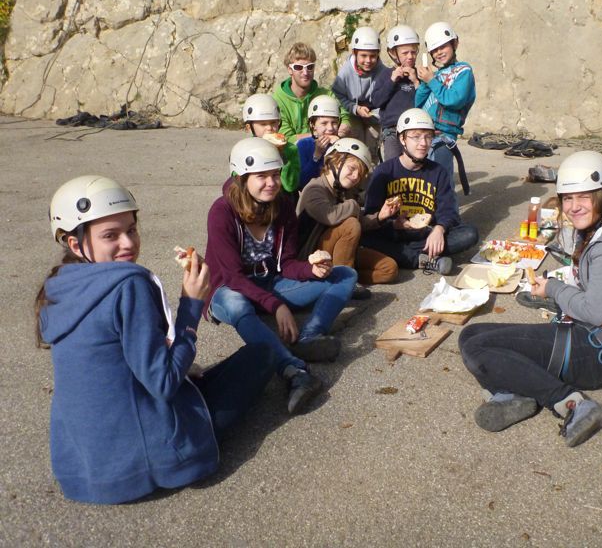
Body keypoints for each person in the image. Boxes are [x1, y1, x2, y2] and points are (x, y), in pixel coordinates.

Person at [36, 176, 277, 504]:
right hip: (149, 460)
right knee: (262, 354)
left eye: (131, 229)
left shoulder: (56, 287)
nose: (127, 243)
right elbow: (163, 383)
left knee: (194, 374)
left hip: (88, 469)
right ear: (76, 244)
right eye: (110, 235)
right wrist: (191, 305)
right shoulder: (127, 285)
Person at [459, 151, 602, 447]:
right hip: (590, 332)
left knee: (479, 349)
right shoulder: (599, 228)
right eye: (568, 198)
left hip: (601, 352)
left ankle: (571, 403)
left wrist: (553, 289)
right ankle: (519, 393)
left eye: (584, 197)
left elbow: (593, 310)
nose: (574, 206)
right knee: (470, 334)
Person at [205, 138, 358, 414]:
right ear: (241, 178)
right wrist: (277, 306)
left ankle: (309, 337)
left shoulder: (284, 206)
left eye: (275, 175)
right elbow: (232, 277)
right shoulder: (222, 211)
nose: (271, 183)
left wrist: (311, 269)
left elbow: (285, 263)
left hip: (270, 283)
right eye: (261, 176)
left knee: (345, 274)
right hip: (228, 289)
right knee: (237, 303)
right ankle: (293, 370)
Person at [360, 108, 479, 275]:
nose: (423, 143)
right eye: (415, 136)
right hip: (394, 233)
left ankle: (406, 254)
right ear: (402, 138)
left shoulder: (438, 172)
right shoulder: (384, 172)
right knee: (362, 237)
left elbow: (448, 211)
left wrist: (439, 229)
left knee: (469, 234)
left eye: (428, 136)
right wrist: (393, 224)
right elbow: (371, 214)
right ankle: (422, 259)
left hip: (426, 233)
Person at [296, 138, 399, 300]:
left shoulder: (344, 191)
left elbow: (358, 222)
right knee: (350, 224)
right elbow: (330, 217)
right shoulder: (314, 188)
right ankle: (345, 283)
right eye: (352, 168)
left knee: (389, 269)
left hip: (339, 251)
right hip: (311, 256)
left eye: (360, 173)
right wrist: (354, 205)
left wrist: (380, 216)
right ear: (335, 161)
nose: (356, 176)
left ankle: (343, 277)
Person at [415, 21, 476, 197]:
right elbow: (418, 103)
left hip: (444, 135)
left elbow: (453, 100)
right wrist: (425, 82)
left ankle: (448, 213)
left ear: (455, 43)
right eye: (435, 50)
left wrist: (431, 81)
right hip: (425, 133)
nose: (439, 52)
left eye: (443, 47)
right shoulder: (436, 74)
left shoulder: (463, 71)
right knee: (422, 181)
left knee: (442, 180)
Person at [272, 42, 351, 144]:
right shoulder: (277, 101)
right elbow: (285, 138)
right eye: (298, 67)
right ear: (290, 70)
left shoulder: (327, 95)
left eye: (310, 67)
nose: (305, 72)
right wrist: (319, 136)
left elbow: (344, 117)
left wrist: (338, 134)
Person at [331, 27, 389, 163]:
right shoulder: (345, 73)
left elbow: (386, 97)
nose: (368, 60)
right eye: (363, 56)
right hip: (353, 114)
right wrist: (355, 108)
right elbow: (338, 96)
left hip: (374, 116)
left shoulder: (383, 72)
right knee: (355, 149)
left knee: (371, 150)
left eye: (372, 56)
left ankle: (371, 172)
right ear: (354, 53)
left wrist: (375, 113)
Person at [371, 24, 420, 161]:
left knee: (415, 164)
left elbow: (426, 101)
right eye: (405, 53)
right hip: (393, 130)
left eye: (413, 52)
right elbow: (376, 101)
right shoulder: (386, 75)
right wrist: (392, 81)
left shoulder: (420, 75)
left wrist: (416, 82)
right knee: (392, 165)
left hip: (416, 129)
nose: (410, 56)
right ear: (393, 53)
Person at [242, 93, 301, 193]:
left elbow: (290, 186)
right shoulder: (244, 150)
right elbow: (237, 183)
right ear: (249, 127)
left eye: (273, 122)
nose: (269, 128)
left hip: (283, 198)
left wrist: (282, 156)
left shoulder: (290, 149)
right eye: (263, 124)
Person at [297, 94, 342, 190]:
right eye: (324, 123)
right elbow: (303, 181)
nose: (330, 128)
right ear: (312, 125)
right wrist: (317, 155)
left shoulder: (343, 144)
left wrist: (339, 148)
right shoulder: (304, 145)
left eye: (334, 123)